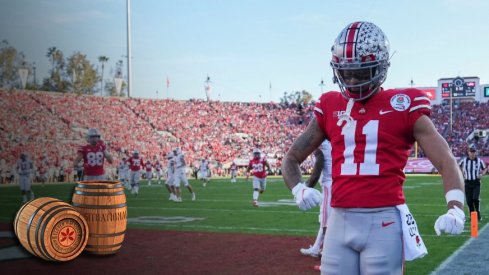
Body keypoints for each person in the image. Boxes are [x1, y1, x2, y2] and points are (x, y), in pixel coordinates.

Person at [281, 21, 465, 274]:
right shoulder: (329, 104)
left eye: (361, 72)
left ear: (380, 68)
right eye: (347, 72)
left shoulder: (403, 104)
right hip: (339, 220)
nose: (353, 79)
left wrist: (455, 209)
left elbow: (446, 160)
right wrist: (297, 189)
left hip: (384, 221)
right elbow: (291, 157)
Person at [300, 140, 332, 258]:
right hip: (337, 184)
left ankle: (328, 252)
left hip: (329, 185)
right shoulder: (330, 142)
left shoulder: (320, 144)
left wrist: (304, 188)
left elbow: (317, 171)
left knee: (325, 223)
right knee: (327, 220)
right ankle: (316, 248)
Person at [459, 145, 487, 221]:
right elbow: (458, 166)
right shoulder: (464, 161)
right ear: (468, 152)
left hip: (476, 183)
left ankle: (477, 213)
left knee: (475, 199)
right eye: (471, 152)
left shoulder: (479, 161)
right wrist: (462, 173)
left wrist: (482, 174)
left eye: (474, 152)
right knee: (469, 201)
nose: (472, 153)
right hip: (467, 183)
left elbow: (485, 169)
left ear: (476, 153)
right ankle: (472, 216)